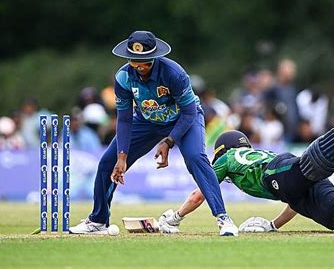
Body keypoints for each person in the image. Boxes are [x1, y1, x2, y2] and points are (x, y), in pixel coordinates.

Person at [158, 107, 334, 234]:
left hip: (280, 172)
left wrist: (176, 215)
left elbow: (201, 192)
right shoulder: (257, 154)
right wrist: (272, 226)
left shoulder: (226, 159)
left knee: (309, 166)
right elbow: (293, 198)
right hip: (293, 182)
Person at [69, 30, 238, 236]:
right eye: (134, 62)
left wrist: (169, 141)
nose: (140, 67)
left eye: (145, 62)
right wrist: (122, 157)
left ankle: (223, 218)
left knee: (196, 157)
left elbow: (189, 112)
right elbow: (124, 119)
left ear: (154, 57)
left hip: (183, 119)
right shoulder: (123, 77)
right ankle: (98, 221)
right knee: (108, 162)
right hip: (147, 121)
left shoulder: (173, 73)